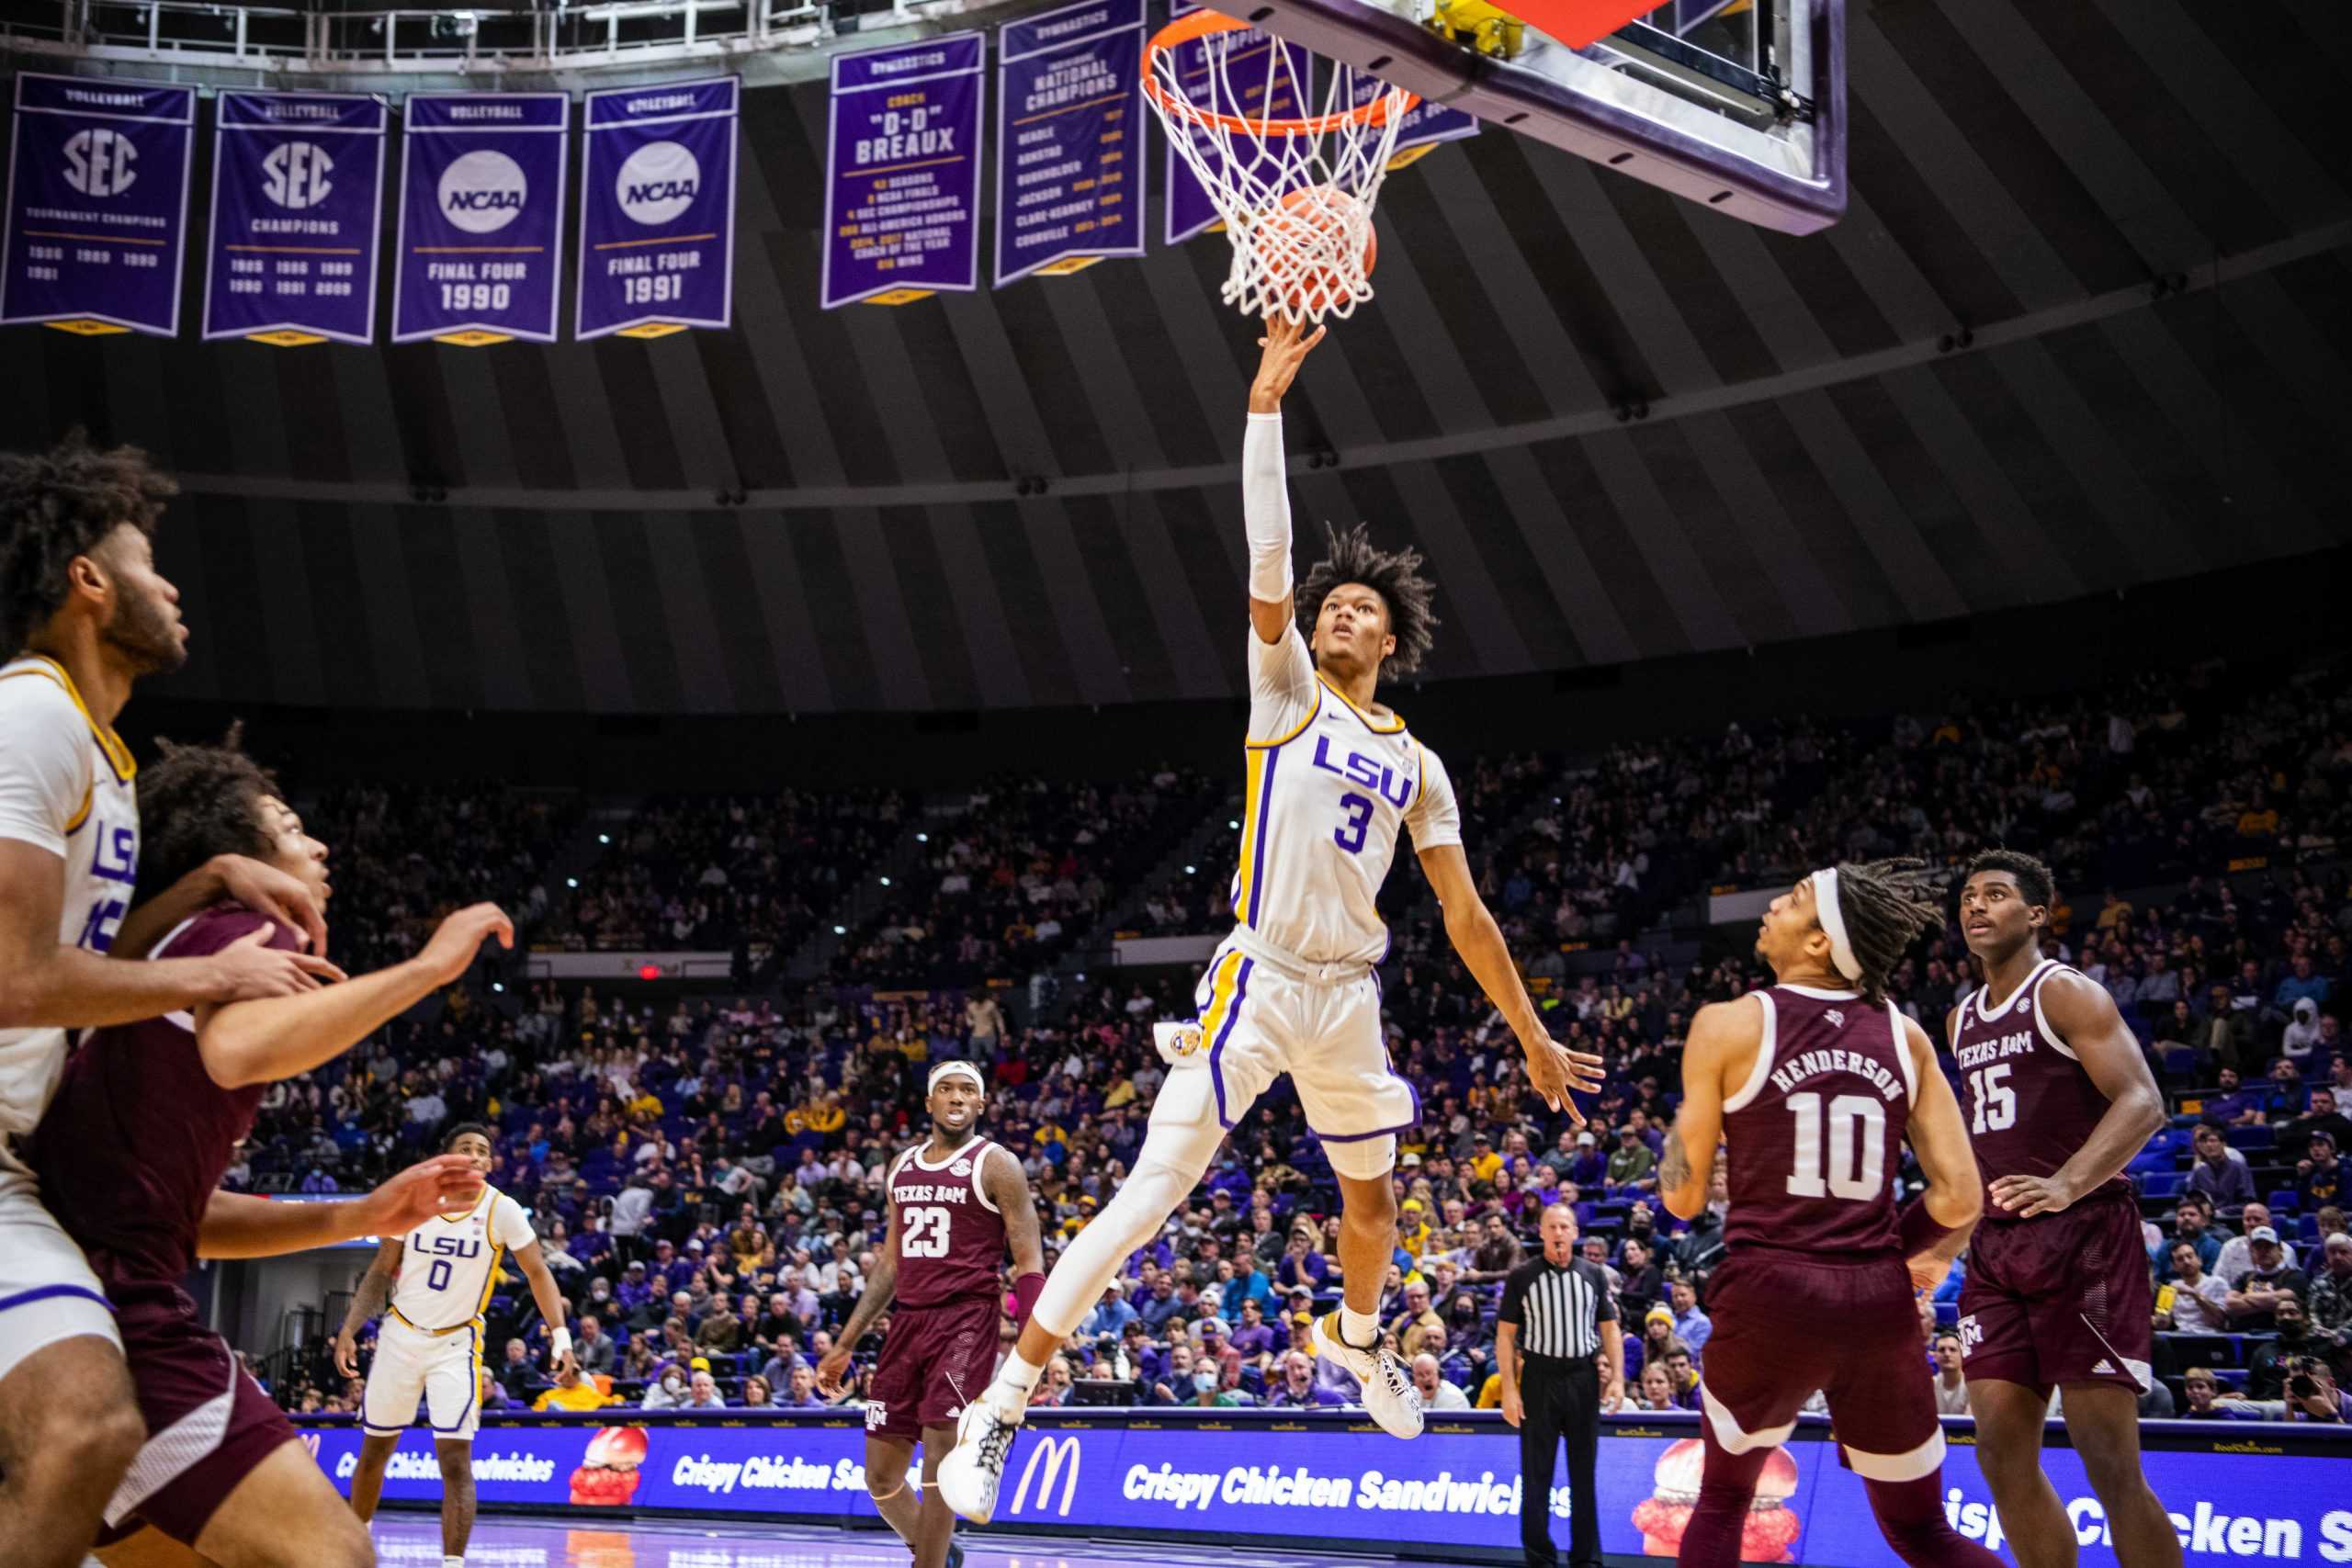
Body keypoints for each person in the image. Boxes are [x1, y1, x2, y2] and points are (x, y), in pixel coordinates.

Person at [936, 315, 1600, 1524]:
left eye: (1360, 610)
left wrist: (1532, 1033)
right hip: (1257, 976)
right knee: (1148, 1198)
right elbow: (1268, 544)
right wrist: (1263, 403)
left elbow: (1464, 912)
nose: (1338, 613)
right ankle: (999, 1408)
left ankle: (1354, 1341)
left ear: (1391, 640)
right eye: (1329, 603)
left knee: (1374, 1206)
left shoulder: (1421, 762)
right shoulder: (1284, 688)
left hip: (1348, 995)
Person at [26, 735, 503, 1568]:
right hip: (116, 1315)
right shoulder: (246, 930)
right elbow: (240, 1050)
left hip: (63, 1293)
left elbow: (182, 1218)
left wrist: (358, 1213)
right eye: (287, 825)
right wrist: (427, 968)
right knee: (336, 1557)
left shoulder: (156, 954)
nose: (316, 845)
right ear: (238, 851)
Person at [0, 434, 335, 1568]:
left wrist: (199, 883)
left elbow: (74, 959)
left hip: (17, 1167)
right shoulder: (32, 717)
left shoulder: (103, 756)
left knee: (88, 1445)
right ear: (89, 582)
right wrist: (214, 968)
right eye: (148, 559)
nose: (172, 585)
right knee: (88, 1426)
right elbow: (11, 983)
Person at [1658, 861, 2001, 1568]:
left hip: (1771, 1289)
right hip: (1875, 1301)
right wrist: (1888, 1255)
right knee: (1921, 1533)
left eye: (1791, 899)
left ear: (1819, 942)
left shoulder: (1726, 1024)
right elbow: (1962, 1195)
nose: (1773, 903)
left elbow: (1682, 1197)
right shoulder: (1906, 1037)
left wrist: (1687, 1126)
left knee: (1722, 1501)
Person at [1949, 850, 2177, 1568]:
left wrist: (2068, 1182)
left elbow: (2143, 1100)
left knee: (2108, 1461)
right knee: (1999, 1453)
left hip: (2084, 1238)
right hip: (1998, 1247)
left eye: (1994, 894)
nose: (1976, 906)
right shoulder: (1960, 1018)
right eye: (1968, 897)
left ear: (2038, 913)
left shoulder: (2067, 993)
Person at [818, 1062, 1042, 1568]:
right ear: (929, 1103)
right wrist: (847, 1341)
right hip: (907, 1323)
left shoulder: (997, 1164)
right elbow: (891, 1262)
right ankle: (938, 1553)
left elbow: (1028, 1257)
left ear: (981, 1105)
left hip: (965, 1321)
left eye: (968, 1089)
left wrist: (1031, 1345)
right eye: (945, 1088)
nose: (956, 1096)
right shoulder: (902, 1166)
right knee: (880, 1478)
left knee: (940, 1455)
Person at [341, 1122, 572, 1568]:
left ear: (489, 1163)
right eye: (465, 1147)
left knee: (456, 1461)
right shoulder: (416, 1203)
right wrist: (351, 1326)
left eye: (482, 1149)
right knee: (375, 1450)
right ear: (447, 1159)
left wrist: (560, 1336)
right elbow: (380, 1268)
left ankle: (453, 1563)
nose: (474, 1154)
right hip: (400, 1335)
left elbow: (539, 1272)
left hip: (457, 1344)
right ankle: (355, 1547)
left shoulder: (501, 1210)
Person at [1498, 1202, 1622, 1568]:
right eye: (1551, 1226)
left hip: (1583, 1379)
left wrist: (1617, 1378)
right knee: (1536, 1475)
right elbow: (1505, 1335)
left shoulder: (1594, 1274)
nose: (1558, 1233)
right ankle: (1539, 1558)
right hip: (1539, 1378)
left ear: (1575, 1232)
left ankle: (1587, 1559)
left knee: (1584, 1474)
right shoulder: (1521, 1276)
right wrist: (1508, 1389)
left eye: (1565, 1226)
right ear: (1541, 1232)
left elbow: (1609, 1328)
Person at [2161, 1243, 2231, 1332]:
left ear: (2199, 1260)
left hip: (2211, 1337)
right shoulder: (2171, 1287)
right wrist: (2162, 1311)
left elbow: (2222, 1321)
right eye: (2180, 1259)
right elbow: (2162, 1325)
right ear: (2174, 1267)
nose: (2186, 1262)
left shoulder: (2217, 1282)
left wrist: (2193, 1294)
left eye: (2190, 1256)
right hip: (2179, 1337)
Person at [1931, 1332, 1970, 1416]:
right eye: (1942, 1350)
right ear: (1935, 1357)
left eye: (1952, 1349)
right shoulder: (1929, 1385)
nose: (1947, 1354)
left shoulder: (1972, 1386)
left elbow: (1968, 1426)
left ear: (1962, 1354)